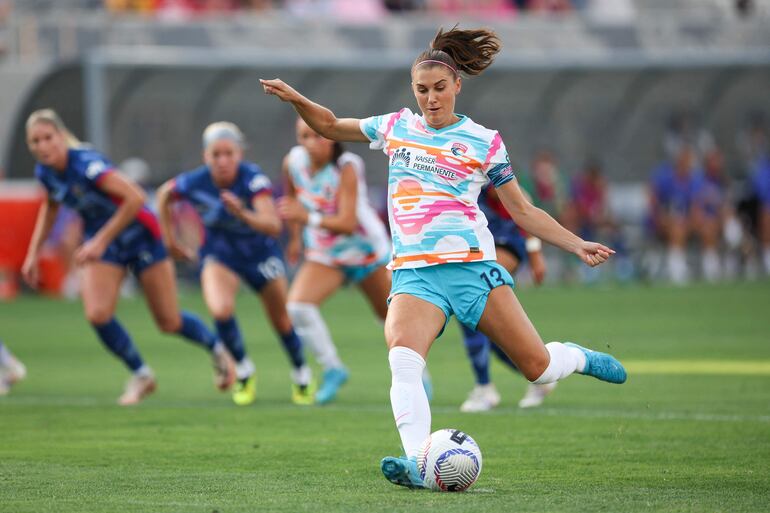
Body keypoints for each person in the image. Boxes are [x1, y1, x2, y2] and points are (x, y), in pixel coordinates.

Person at [260, 25, 626, 489]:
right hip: (415, 273)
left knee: (536, 368)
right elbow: (330, 125)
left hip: (472, 268)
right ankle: (416, 461)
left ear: (456, 86)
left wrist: (577, 244)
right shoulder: (396, 127)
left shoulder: (484, 141)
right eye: (421, 90)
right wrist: (296, 98)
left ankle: (575, 356)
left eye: (438, 89)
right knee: (403, 360)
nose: (430, 99)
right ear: (412, 91)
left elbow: (522, 210)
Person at [21, 109, 235, 406]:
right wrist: (33, 254)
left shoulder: (86, 164)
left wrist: (98, 241)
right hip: (106, 242)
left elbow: (134, 197)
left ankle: (217, 348)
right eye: (35, 141)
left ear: (61, 137)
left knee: (169, 321)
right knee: (97, 314)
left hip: (141, 235)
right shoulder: (45, 172)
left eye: (48, 137)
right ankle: (142, 375)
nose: (43, 146)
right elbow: (51, 206)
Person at [156, 122, 314, 406]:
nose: (222, 161)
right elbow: (165, 194)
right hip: (221, 255)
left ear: (240, 154)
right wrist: (169, 240)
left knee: (280, 319)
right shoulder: (195, 181)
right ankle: (243, 371)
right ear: (206, 156)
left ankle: (301, 373)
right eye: (216, 154)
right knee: (220, 309)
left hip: (260, 254)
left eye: (229, 153)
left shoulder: (252, 180)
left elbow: (272, 224)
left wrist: (242, 213)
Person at [278, 118, 392, 404]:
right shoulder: (293, 162)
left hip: (366, 251)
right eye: (302, 136)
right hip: (327, 254)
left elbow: (347, 222)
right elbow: (292, 199)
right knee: (298, 306)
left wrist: (307, 219)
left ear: (331, 136)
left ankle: (418, 377)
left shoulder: (347, 167)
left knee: (392, 319)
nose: (309, 143)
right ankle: (333, 368)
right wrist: (295, 238)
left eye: (316, 135)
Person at [459, 184, 553, 412]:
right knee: (487, 328)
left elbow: (522, 201)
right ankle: (542, 375)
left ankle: (484, 388)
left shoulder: (476, 160)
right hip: (475, 246)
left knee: (471, 299)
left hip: (504, 241)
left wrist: (535, 253)